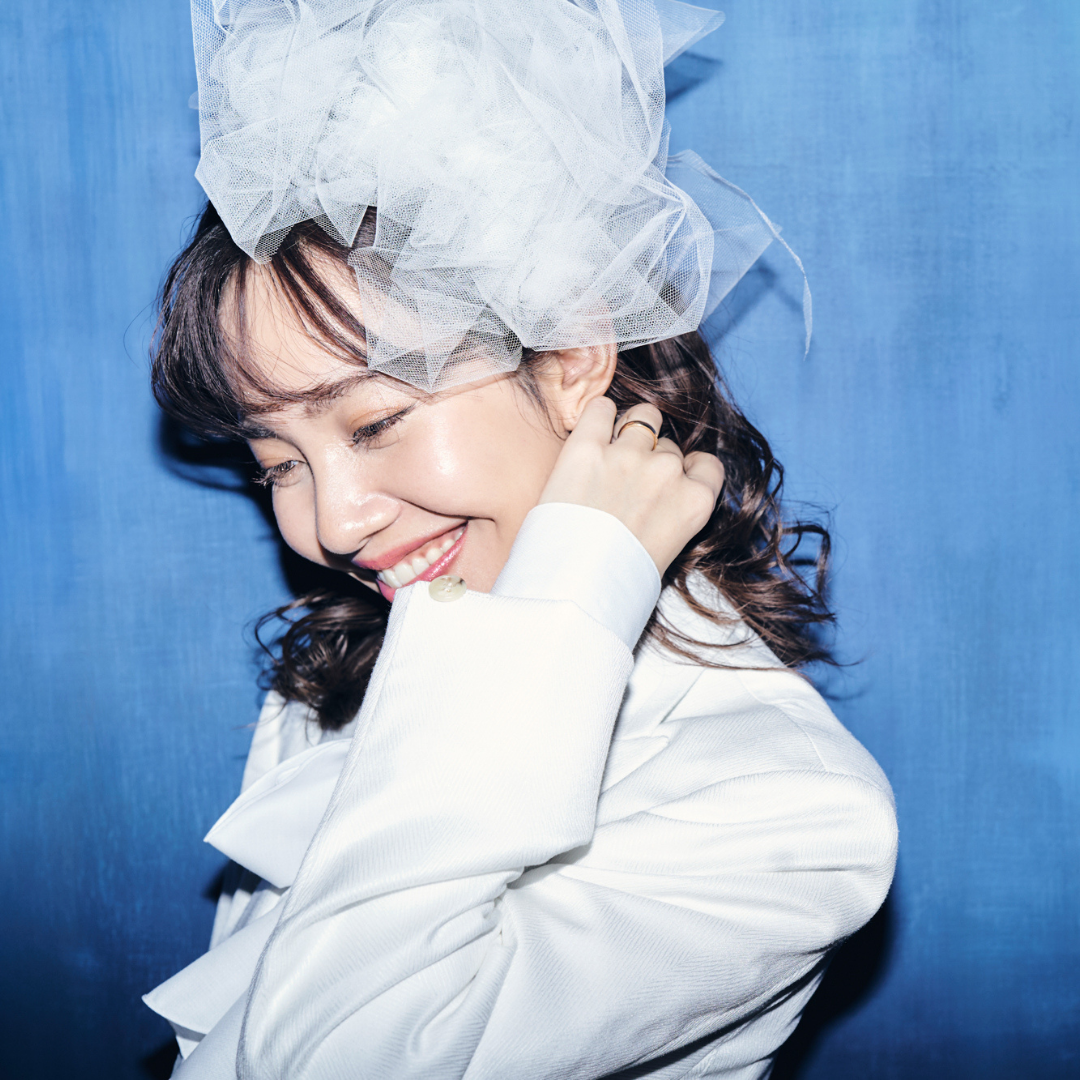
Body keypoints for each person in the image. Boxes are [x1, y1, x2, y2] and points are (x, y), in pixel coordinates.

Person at [144, 2, 897, 1077]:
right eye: (277, 464)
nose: (330, 525)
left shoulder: (785, 810)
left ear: (572, 354)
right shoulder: (351, 673)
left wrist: (568, 597)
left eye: (375, 423)